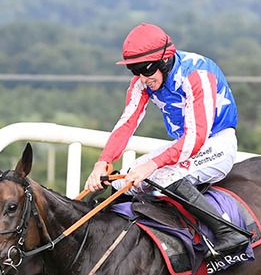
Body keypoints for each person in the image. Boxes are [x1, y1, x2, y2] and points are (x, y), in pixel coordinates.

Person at [83, 23, 248, 256]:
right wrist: (103, 161)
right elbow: (126, 123)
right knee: (124, 180)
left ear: (164, 61)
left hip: (216, 142)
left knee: (163, 176)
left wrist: (151, 165)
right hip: (185, 145)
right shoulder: (142, 83)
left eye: (146, 69)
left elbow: (196, 137)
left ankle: (228, 232)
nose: (142, 77)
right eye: (134, 70)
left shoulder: (196, 75)